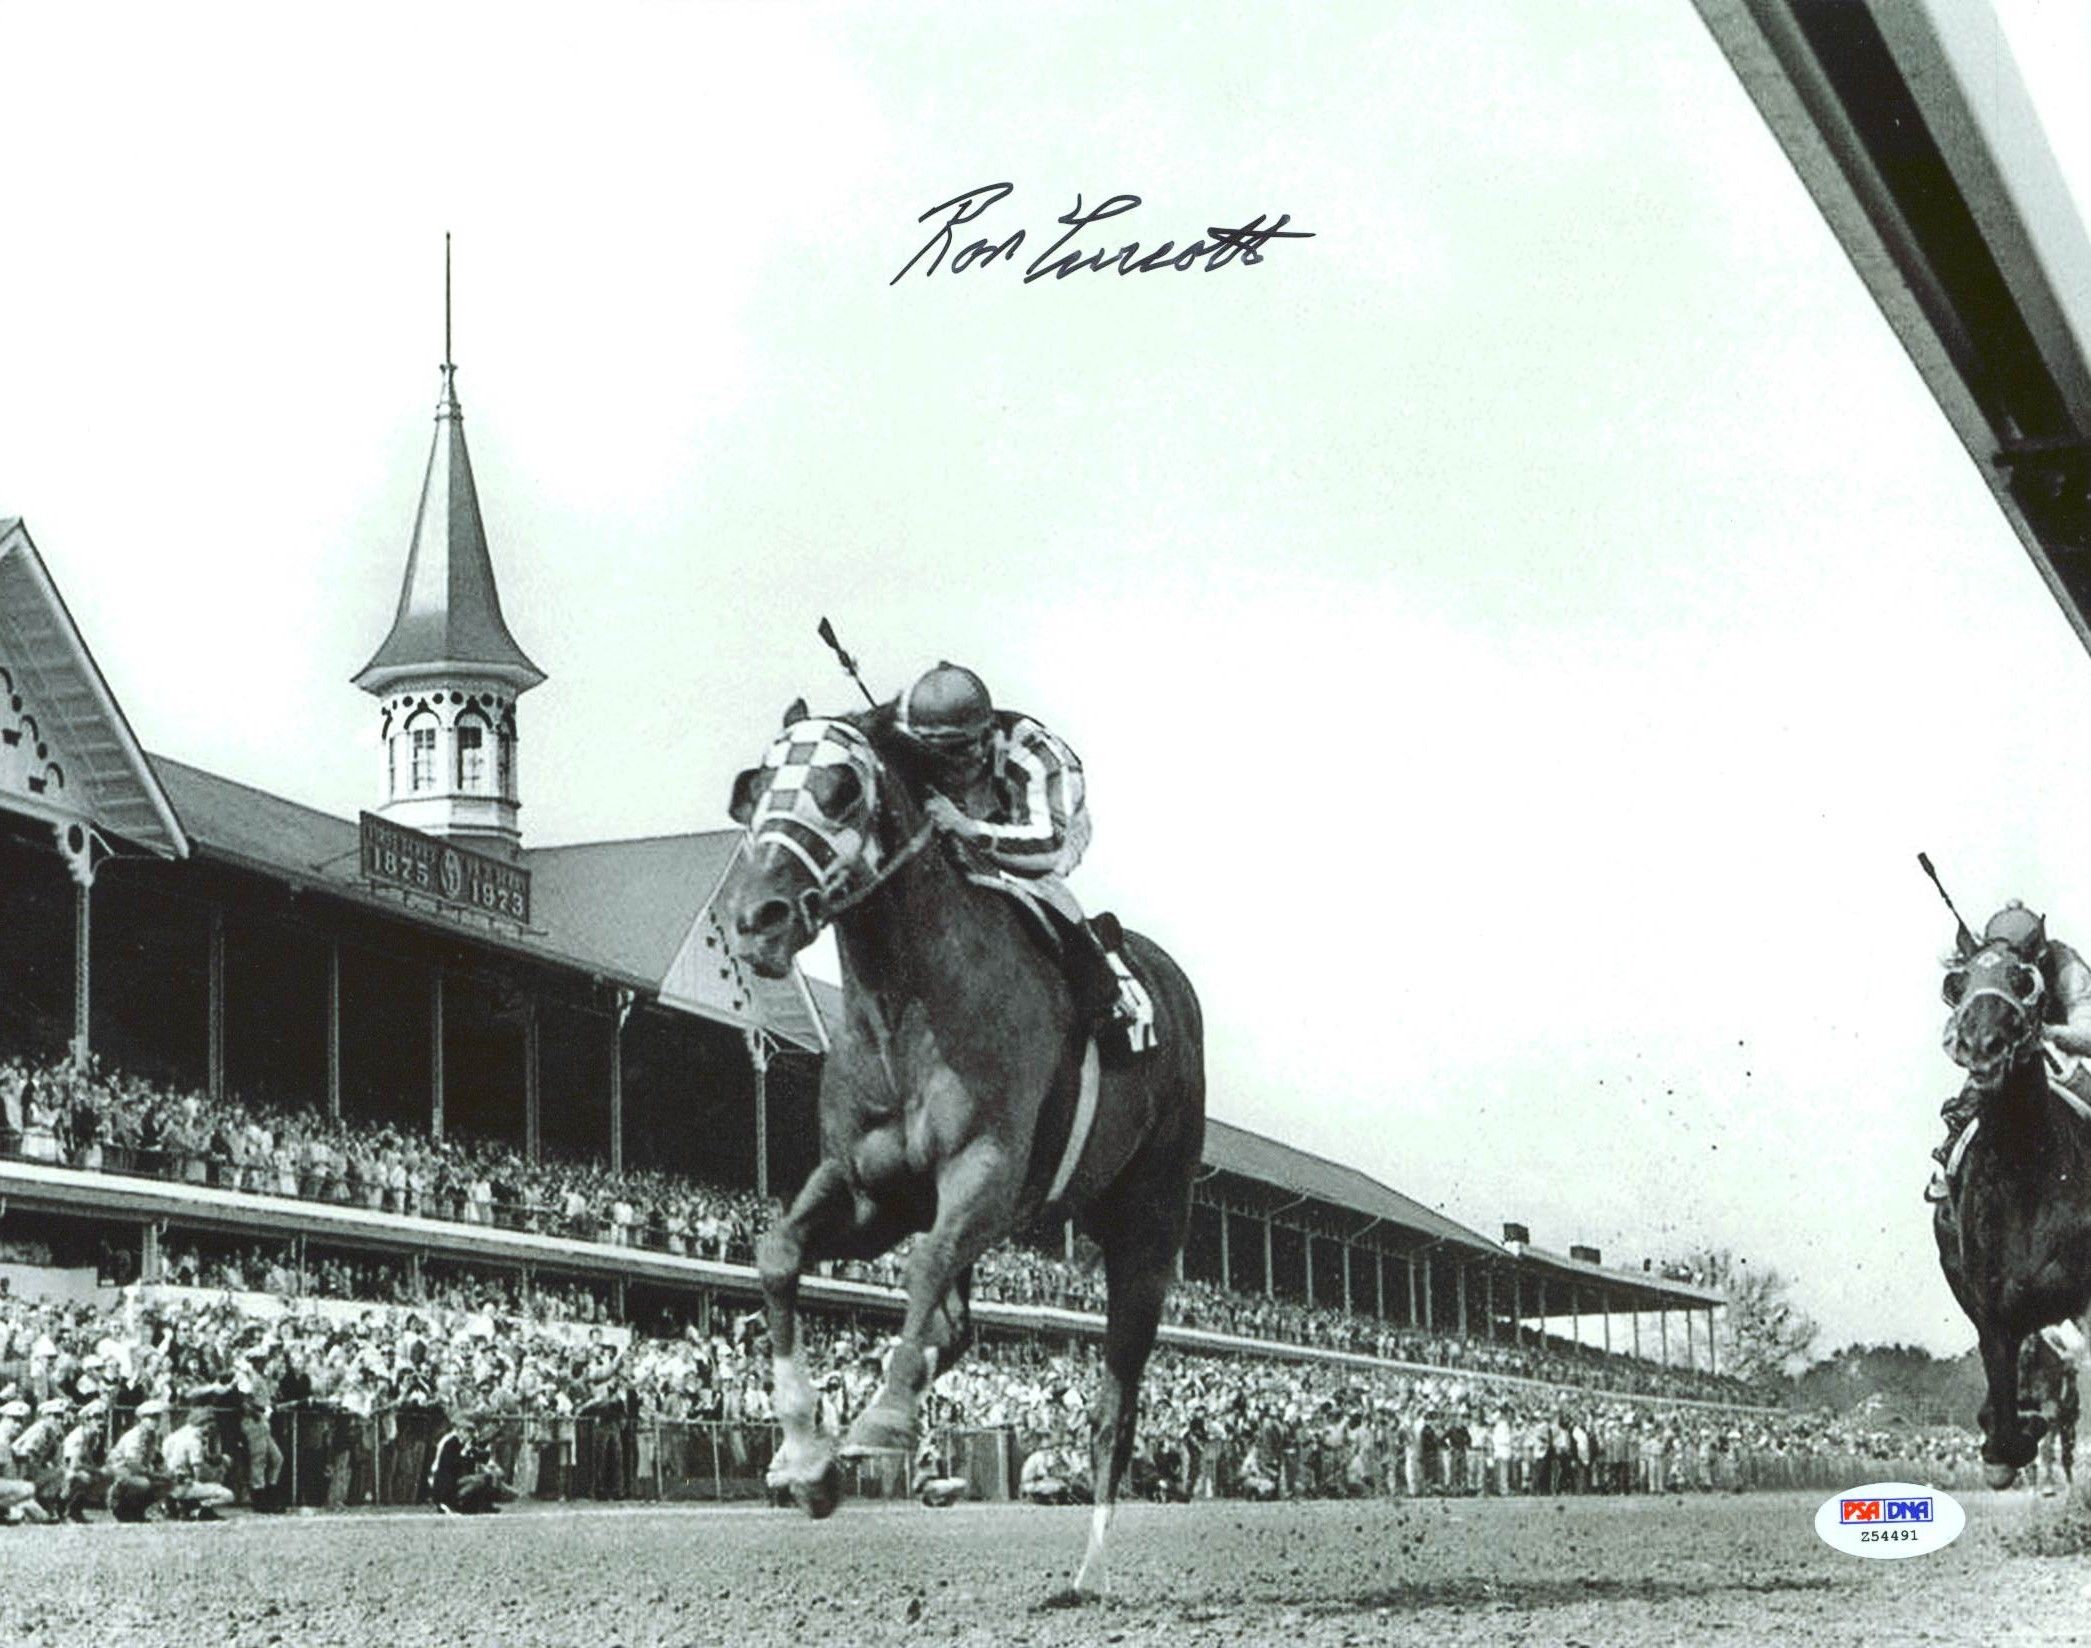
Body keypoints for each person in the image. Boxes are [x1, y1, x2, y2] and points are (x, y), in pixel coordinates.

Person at [891, 663, 1145, 1048]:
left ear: (987, 734)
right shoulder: (925, 749)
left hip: (1047, 830)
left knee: (1030, 883)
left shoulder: (1039, 757)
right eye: (933, 753)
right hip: (973, 813)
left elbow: (1045, 848)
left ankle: (1104, 981)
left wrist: (967, 828)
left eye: (959, 751)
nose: (947, 765)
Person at [1931, 901, 2091, 1200]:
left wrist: (2049, 1034)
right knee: (1959, 1129)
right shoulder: (1984, 969)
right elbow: (1952, 1038)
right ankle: (1948, 1180)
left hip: (2058, 1060)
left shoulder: (2066, 964)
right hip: (2003, 1061)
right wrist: (1979, 1050)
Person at [428, 1411, 513, 1515]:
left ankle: (479, 1505)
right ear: (459, 1430)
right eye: (467, 1431)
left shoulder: (462, 1443)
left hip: (453, 1481)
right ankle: (452, 1503)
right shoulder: (450, 1442)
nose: (470, 1435)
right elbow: (449, 1465)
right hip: (445, 1484)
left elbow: (481, 1456)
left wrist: (492, 1466)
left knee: (487, 1478)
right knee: (480, 1480)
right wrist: (466, 1456)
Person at [163, 1408, 237, 1520]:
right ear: (203, 1423)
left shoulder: (173, 1436)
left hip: (168, 1482)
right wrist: (219, 1467)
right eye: (210, 1423)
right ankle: (201, 1508)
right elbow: (199, 1473)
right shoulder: (194, 1441)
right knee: (228, 1495)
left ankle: (178, 1506)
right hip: (183, 1484)